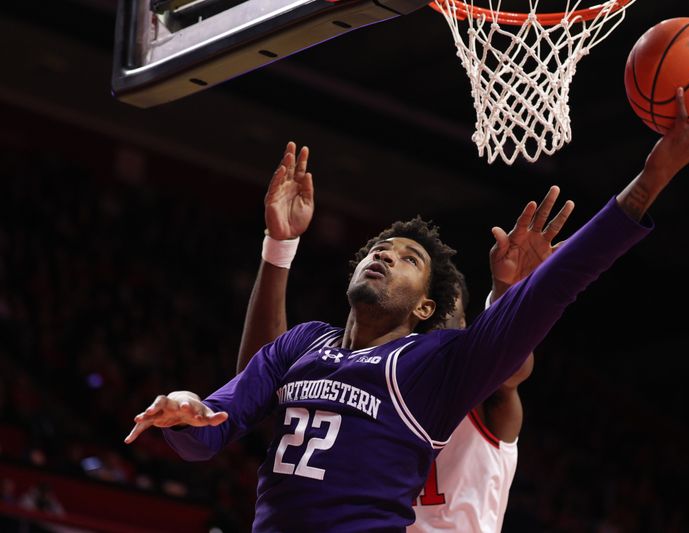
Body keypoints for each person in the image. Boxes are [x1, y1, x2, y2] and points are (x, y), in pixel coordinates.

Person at [125, 86, 689, 532]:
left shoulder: (433, 365)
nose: (384, 257)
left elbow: (553, 295)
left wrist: (652, 176)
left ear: (426, 306)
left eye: (406, 259)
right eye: (378, 249)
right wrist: (188, 412)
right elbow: (215, 427)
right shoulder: (301, 345)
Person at [233, 141, 569, 531]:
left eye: (445, 317)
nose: (431, 334)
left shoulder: (479, 387)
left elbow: (511, 365)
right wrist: (278, 247)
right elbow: (255, 378)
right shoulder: (371, 378)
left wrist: (512, 295)